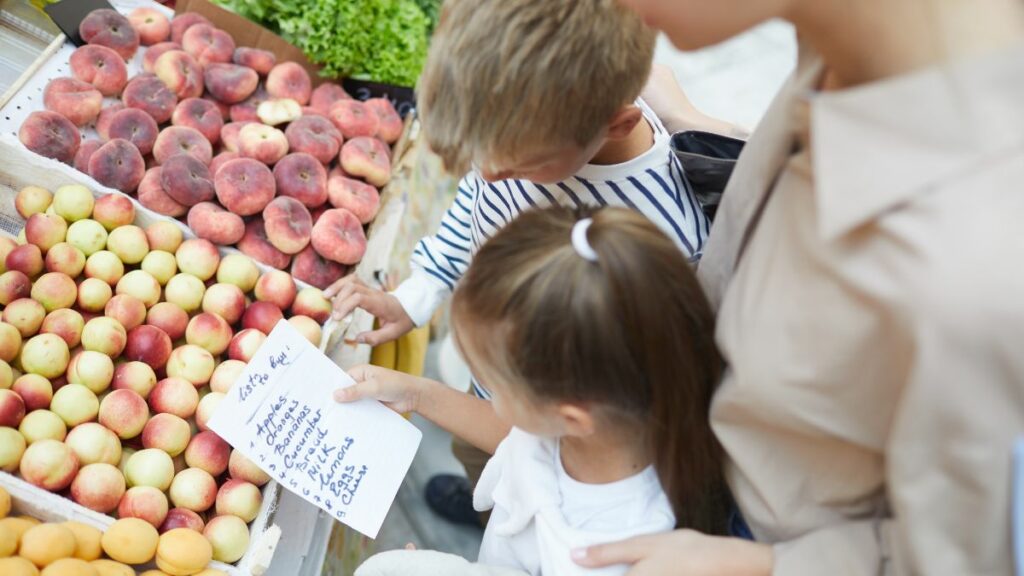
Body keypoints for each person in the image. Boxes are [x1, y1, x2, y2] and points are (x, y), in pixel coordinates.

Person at [572, 0, 1024, 574]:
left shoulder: (985, 274)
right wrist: (701, 124)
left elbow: (964, 557)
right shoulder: (860, 44)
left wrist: (757, 565)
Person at [325, 0, 722, 526]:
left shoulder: (665, 239)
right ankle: (483, 496)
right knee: (481, 470)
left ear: (617, 123)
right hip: (504, 387)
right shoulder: (530, 135)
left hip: (555, 442)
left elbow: (596, 428)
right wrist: (420, 293)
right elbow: (478, 200)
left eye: (519, 166)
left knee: (511, 498)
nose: (489, 175)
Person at [339, 206, 731, 575]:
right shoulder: (600, 426)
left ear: (569, 416)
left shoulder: (612, 555)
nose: (485, 389)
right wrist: (418, 394)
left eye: (494, 383)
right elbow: (517, 437)